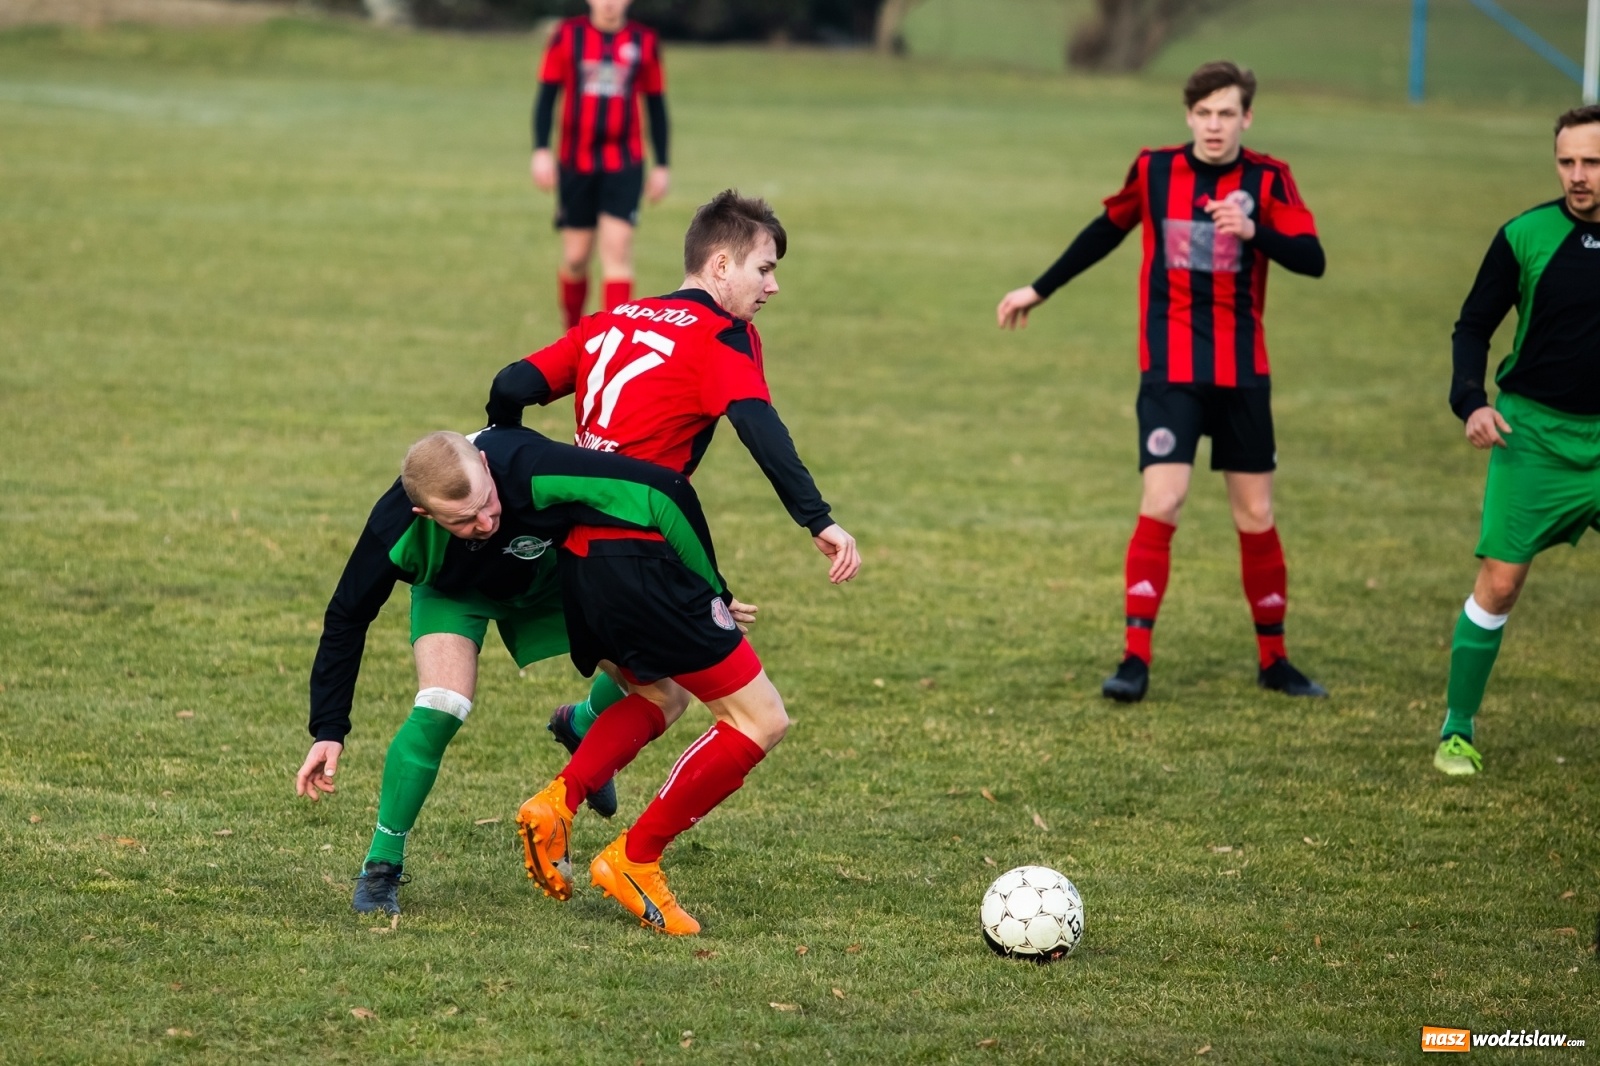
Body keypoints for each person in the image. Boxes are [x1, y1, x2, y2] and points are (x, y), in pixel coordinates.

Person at [496, 190, 861, 934]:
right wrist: (818, 519)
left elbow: (511, 387)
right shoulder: (723, 335)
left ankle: (557, 803)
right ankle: (635, 858)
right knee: (760, 720)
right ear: (720, 265)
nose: (773, 286)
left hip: (580, 563)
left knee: (660, 694)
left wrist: (510, 467)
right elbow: (757, 423)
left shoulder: (612, 318)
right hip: (645, 560)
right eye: (764, 268)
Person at [995, 60, 1328, 704]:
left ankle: (1275, 660)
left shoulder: (1269, 179)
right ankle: (1135, 660)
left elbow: (1312, 259)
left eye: (1226, 113)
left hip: (1243, 374)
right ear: (1188, 116)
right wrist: (1039, 289)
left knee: (1256, 514)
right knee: (1164, 500)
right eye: (1203, 113)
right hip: (1171, 371)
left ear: (1247, 117)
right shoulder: (1154, 170)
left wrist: (1253, 231)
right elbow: (1105, 231)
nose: (1214, 125)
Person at [294, 425, 723, 916]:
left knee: (666, 690)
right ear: (424, 514)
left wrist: (703, 589)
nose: (485, 521)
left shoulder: (530, 466)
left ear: (484, 463)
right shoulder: (393, 526)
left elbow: (651, 491)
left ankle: (581, 723)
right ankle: (381, 866)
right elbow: (347, 616)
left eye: (487, 503)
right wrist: (329, 727)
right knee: (442, 705)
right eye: (463, 519)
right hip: (452, 592)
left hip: (550, 580)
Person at [1432, 104, 1600, 776]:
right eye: (1567, 162)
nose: (1578, 175)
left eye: (1592, 162)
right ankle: (1457, 729)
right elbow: (1473, 325)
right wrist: (1470, 401)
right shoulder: (1525, 235)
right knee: (1500, 586)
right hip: (1532, 437)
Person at [532, 0, 670, 329]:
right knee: (576, 258)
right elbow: (546, 97)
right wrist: (541, 150)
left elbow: (656, 106)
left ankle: (612, 343)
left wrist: (662, 164)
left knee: (617, 251)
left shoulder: (644, 41)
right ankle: (572, 334)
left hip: (625, 160)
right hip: (575, 161)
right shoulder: (567, 35)